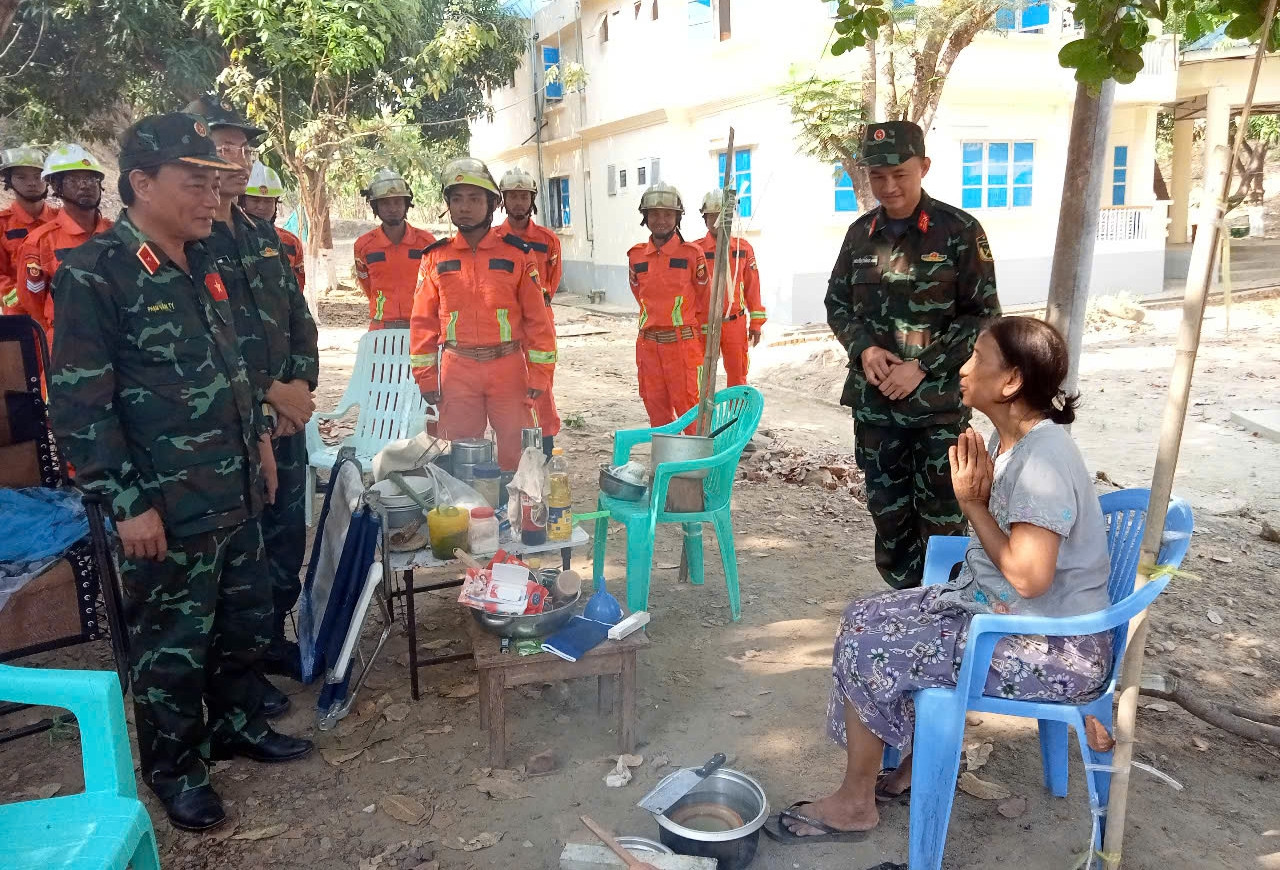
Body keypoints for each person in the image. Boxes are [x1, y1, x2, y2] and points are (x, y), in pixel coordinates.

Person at [48, 112, 314, 832]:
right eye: (193, 181)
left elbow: (234, 370)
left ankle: (235, 724)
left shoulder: (206, 265)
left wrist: (259, 440)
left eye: (215, 180)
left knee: (241, 623)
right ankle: (176, 769)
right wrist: (127, 502)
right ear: (141, 183)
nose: (210, 195)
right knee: (170, 646)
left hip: (233, 486)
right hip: (164, 509)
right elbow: (79, 407)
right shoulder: (94, 275)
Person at [772, 317, 1113, 843]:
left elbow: (1029, 577)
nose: (962, 366)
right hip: (1007, 618)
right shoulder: (1016, 444)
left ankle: (856, 802)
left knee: (872, 642)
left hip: (1050, 650)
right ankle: (912, 766)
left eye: (977, 357)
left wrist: (972, 504)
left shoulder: (1043, 460)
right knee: (864, 614)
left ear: (1011, 382)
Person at [826, 120, 1002, 591]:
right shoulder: (860, 235)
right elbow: (838, 305)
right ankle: (906, 610)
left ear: (923, 167)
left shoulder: (960, 231)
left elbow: (983, 315)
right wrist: (864, 350)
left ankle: (945, 610)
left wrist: (922, 366)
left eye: (900, 174)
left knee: (944, 518)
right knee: (889, 516)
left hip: (937, 410)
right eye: (877, 177)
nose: (889, 186)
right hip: (876, 406)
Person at [185, 95, 319, 704]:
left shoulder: (263, 236)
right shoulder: (191, 240)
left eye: (241, 147)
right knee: (244, 544)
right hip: (233, 424)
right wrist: (270, 393)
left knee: (288, 530)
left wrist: (301, 392)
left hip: (285, 419)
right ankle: (237, 665)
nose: (234, 159)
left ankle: (269, 640)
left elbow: (298, 318)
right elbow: (205, 339)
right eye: (220, 146)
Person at [409, 157, 556, 472]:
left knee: (517, 460)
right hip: (457, 370)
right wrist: (425, 377)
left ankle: (518, 518)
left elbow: (537, 321)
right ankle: (464, 518)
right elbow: (422, 323)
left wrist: (540, 373)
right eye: (457, 199)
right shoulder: (435, 257)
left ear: (492, 203)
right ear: (448, 205)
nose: (465, 207)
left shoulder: (517, 255)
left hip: (508, 369)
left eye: (475, 199)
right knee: (458, 459)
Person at [627, 182, 710, 427]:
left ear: (677, 217)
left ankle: (696, 465)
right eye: (654, 213)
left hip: (683, 346)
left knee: (690, 409)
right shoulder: (636, 256)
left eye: (667, 214)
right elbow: (639, 294)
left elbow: (704, 299)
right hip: (648, 347)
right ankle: (666, 463)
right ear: (645, 217)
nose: (660, 220)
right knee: (655, 408)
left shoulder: (692, 254)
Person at [496, 166, 562, 455]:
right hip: (506, 323)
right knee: (509, 387)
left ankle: (545, 448)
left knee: (542, 385)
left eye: (524, 196)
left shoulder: (548, 241)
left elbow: (553, 280)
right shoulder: (494, 239)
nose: (519, 202)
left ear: (532, 199)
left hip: (540, 322)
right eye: (513, 196)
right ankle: (515, 451)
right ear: (503, 200)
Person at [16, 145, 112, 339]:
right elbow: (32, 301)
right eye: (74, 179)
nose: (85, 185)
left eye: (91, 178)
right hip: (68, 343)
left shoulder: (117, 233)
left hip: (117, 338)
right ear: (56, 186)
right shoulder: (40, 242)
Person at [696, 188, 766, 387]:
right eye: (713, 216)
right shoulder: (695, 251)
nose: (718, 220)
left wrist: (756, 324)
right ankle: (703, 418)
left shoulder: (743, 249)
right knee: (702, 378)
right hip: (704, 324)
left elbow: (753, 289)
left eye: (724, 215)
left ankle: (735, 418)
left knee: (738, 376)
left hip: (734, 323)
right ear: (705, 219)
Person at [353, 168, 437, 330]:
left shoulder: (426, 242)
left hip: (420, 327)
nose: (392, 208)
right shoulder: (363, 245)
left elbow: (435, 285)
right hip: (380, 328)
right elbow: (367, 285)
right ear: (375, 206)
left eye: (398, 201)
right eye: (385, 203)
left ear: (407, 204)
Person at [0, 146, 56, 315]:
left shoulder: (62, 220)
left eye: (38, 176)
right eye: (21, 177)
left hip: (61, 315)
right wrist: (21, 299)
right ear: (9, 181)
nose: (32, 182)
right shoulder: (3, 225)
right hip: (21, 318)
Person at [241, 161, 306, 293]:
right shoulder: (230, 238)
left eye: (268, 201)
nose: (262, 207)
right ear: (242, 201)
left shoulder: (290, 243)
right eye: (255, 200)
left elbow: (297, 290)